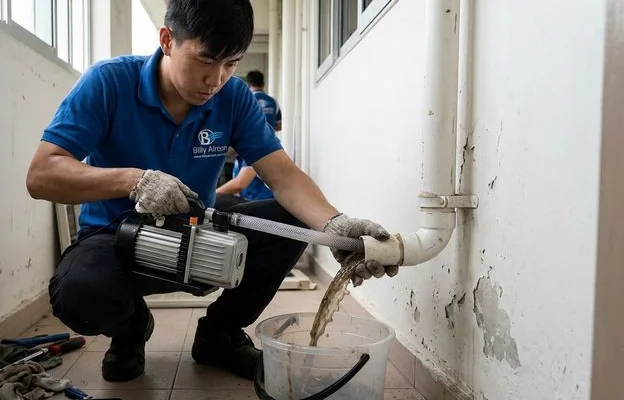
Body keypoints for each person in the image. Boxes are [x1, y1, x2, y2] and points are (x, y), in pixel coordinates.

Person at [25, 0, 396, 384]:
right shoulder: (109, 82)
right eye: (205, 60)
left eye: (231, 63)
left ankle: (220, 334)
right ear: (167, 40)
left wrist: (334, 224)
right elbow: (41, 175)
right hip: (117, 239)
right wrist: (134, 180)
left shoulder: (234, 98)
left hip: (197, 235)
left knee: (291, 220)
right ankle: (131, 327)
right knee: (79, 295)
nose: (216, 79)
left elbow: (282, 175)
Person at [216, 70, 280, 203]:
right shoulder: (272, 101)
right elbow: (278, 125)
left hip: (262, 204)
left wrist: (210, 196)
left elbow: (240, 183)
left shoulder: (247, 101)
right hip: (270, 143)